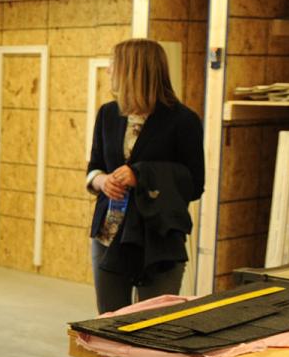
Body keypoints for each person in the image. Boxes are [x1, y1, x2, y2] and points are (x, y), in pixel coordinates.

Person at [86, 38, 203, 315]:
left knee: (153, 329)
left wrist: (142, 175)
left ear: (133, 69)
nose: (108, 71)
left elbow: (194, 183)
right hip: (109, 234)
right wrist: (101, 181)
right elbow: (94, 167)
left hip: (159, 239)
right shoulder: (108, 114)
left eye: (114, 64)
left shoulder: (183, 120)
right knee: (109, 328)